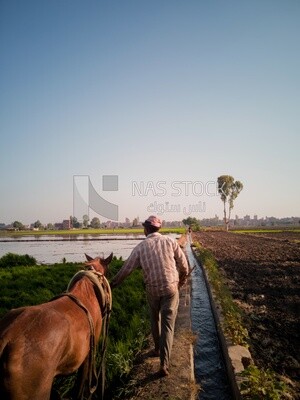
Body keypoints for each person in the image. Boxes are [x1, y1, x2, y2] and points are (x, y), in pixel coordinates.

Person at [110, 215, 189, 377]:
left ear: (146, 229)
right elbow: (184, 264)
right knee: (168, 325)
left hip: (152, 290)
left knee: (155, 318)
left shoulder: (140, 247)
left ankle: (157, 349)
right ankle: (164, 364)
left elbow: (126, 269)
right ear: (158, 229)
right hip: (170, 289)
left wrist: (112, 285)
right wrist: (182, 278)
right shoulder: (170, 242)